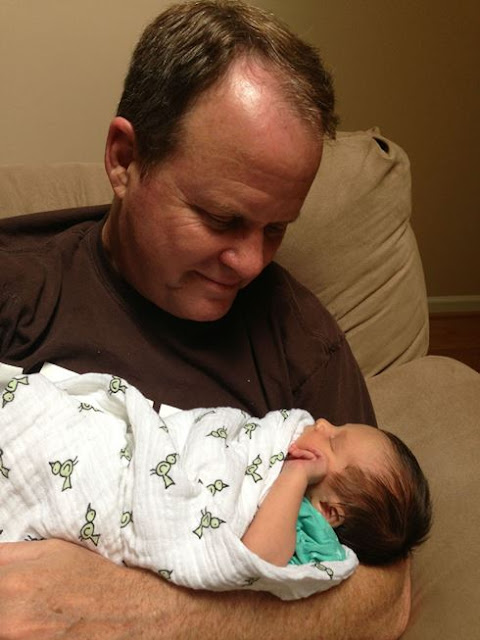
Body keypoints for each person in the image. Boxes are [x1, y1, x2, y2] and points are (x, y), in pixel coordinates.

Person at [0, 1, 411, 638]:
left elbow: (387, 596)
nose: (250, 263)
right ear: (125, 159)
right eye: (222, 219)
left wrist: (137, 611)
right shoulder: (20, 286)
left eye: (276, 228)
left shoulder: (299, 341)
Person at [0, 366, 431, 599]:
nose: (320, 422)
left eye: (333, 439)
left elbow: (258, 559)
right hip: (149, 451)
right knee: (47, 416)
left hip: (142, 504)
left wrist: (295, 475)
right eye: (334, 424)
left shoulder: (308, 535)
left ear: (330, 511)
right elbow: (220, 443)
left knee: (49, 449)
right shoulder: (288, 441)